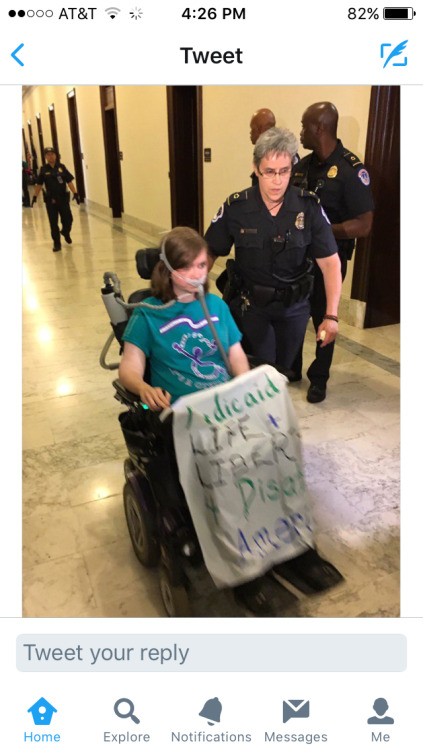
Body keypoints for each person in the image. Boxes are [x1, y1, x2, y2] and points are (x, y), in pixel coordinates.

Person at [120, 226, 342, 613]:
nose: (198, 275)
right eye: (188, 267)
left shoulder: (217, 307)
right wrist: (143, 389)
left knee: (276, 448)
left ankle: (294, 545)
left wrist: (251, 393)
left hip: (226, 405)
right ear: (167, 269)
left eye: (203, 265)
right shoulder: (146, 317)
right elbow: (129, 370)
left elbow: (237, 359)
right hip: (185, 418)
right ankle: (245, 567)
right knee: (228, 467)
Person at [205, 127, 342, 378]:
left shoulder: (308, 206)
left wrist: (331, 315)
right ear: (256, 168)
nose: (277, 181)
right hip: (251, 308)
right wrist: (195, 297)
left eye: (284, 171)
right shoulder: (237, 207)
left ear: (292, 167)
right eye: (269, 172)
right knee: (257, 373)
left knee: (282, 372)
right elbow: (208, 253)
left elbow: (331, 263)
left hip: (294, 310)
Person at [291, 101, 374, 402]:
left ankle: (319, 379)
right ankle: (291, 368)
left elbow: (364, 224)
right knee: (296, 312)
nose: (301, 132)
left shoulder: (352, 170)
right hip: (299, 258)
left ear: (320, 128)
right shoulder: (302, 167)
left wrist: (324, 230)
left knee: (324, 317)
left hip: (332, 260)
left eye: (304, 126)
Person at [32, 147, 80, 252]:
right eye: (48, 154)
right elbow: (39, 184)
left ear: (56, 155)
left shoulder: (62, 167)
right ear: (45, 157)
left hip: (63, 198)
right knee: (53, 223)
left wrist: (75, 193)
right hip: (51, 200)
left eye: (52, 154)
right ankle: (57, 243)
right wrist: (35, 196)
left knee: (68, 219)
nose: (51, 156)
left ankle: (66, 232)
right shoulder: (43, 169)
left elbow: (69, 181)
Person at [250, 108, 276, 186]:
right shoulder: (261, 153)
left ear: (261, 130)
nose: (250, 132)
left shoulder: (281, 154)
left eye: (253, 129)